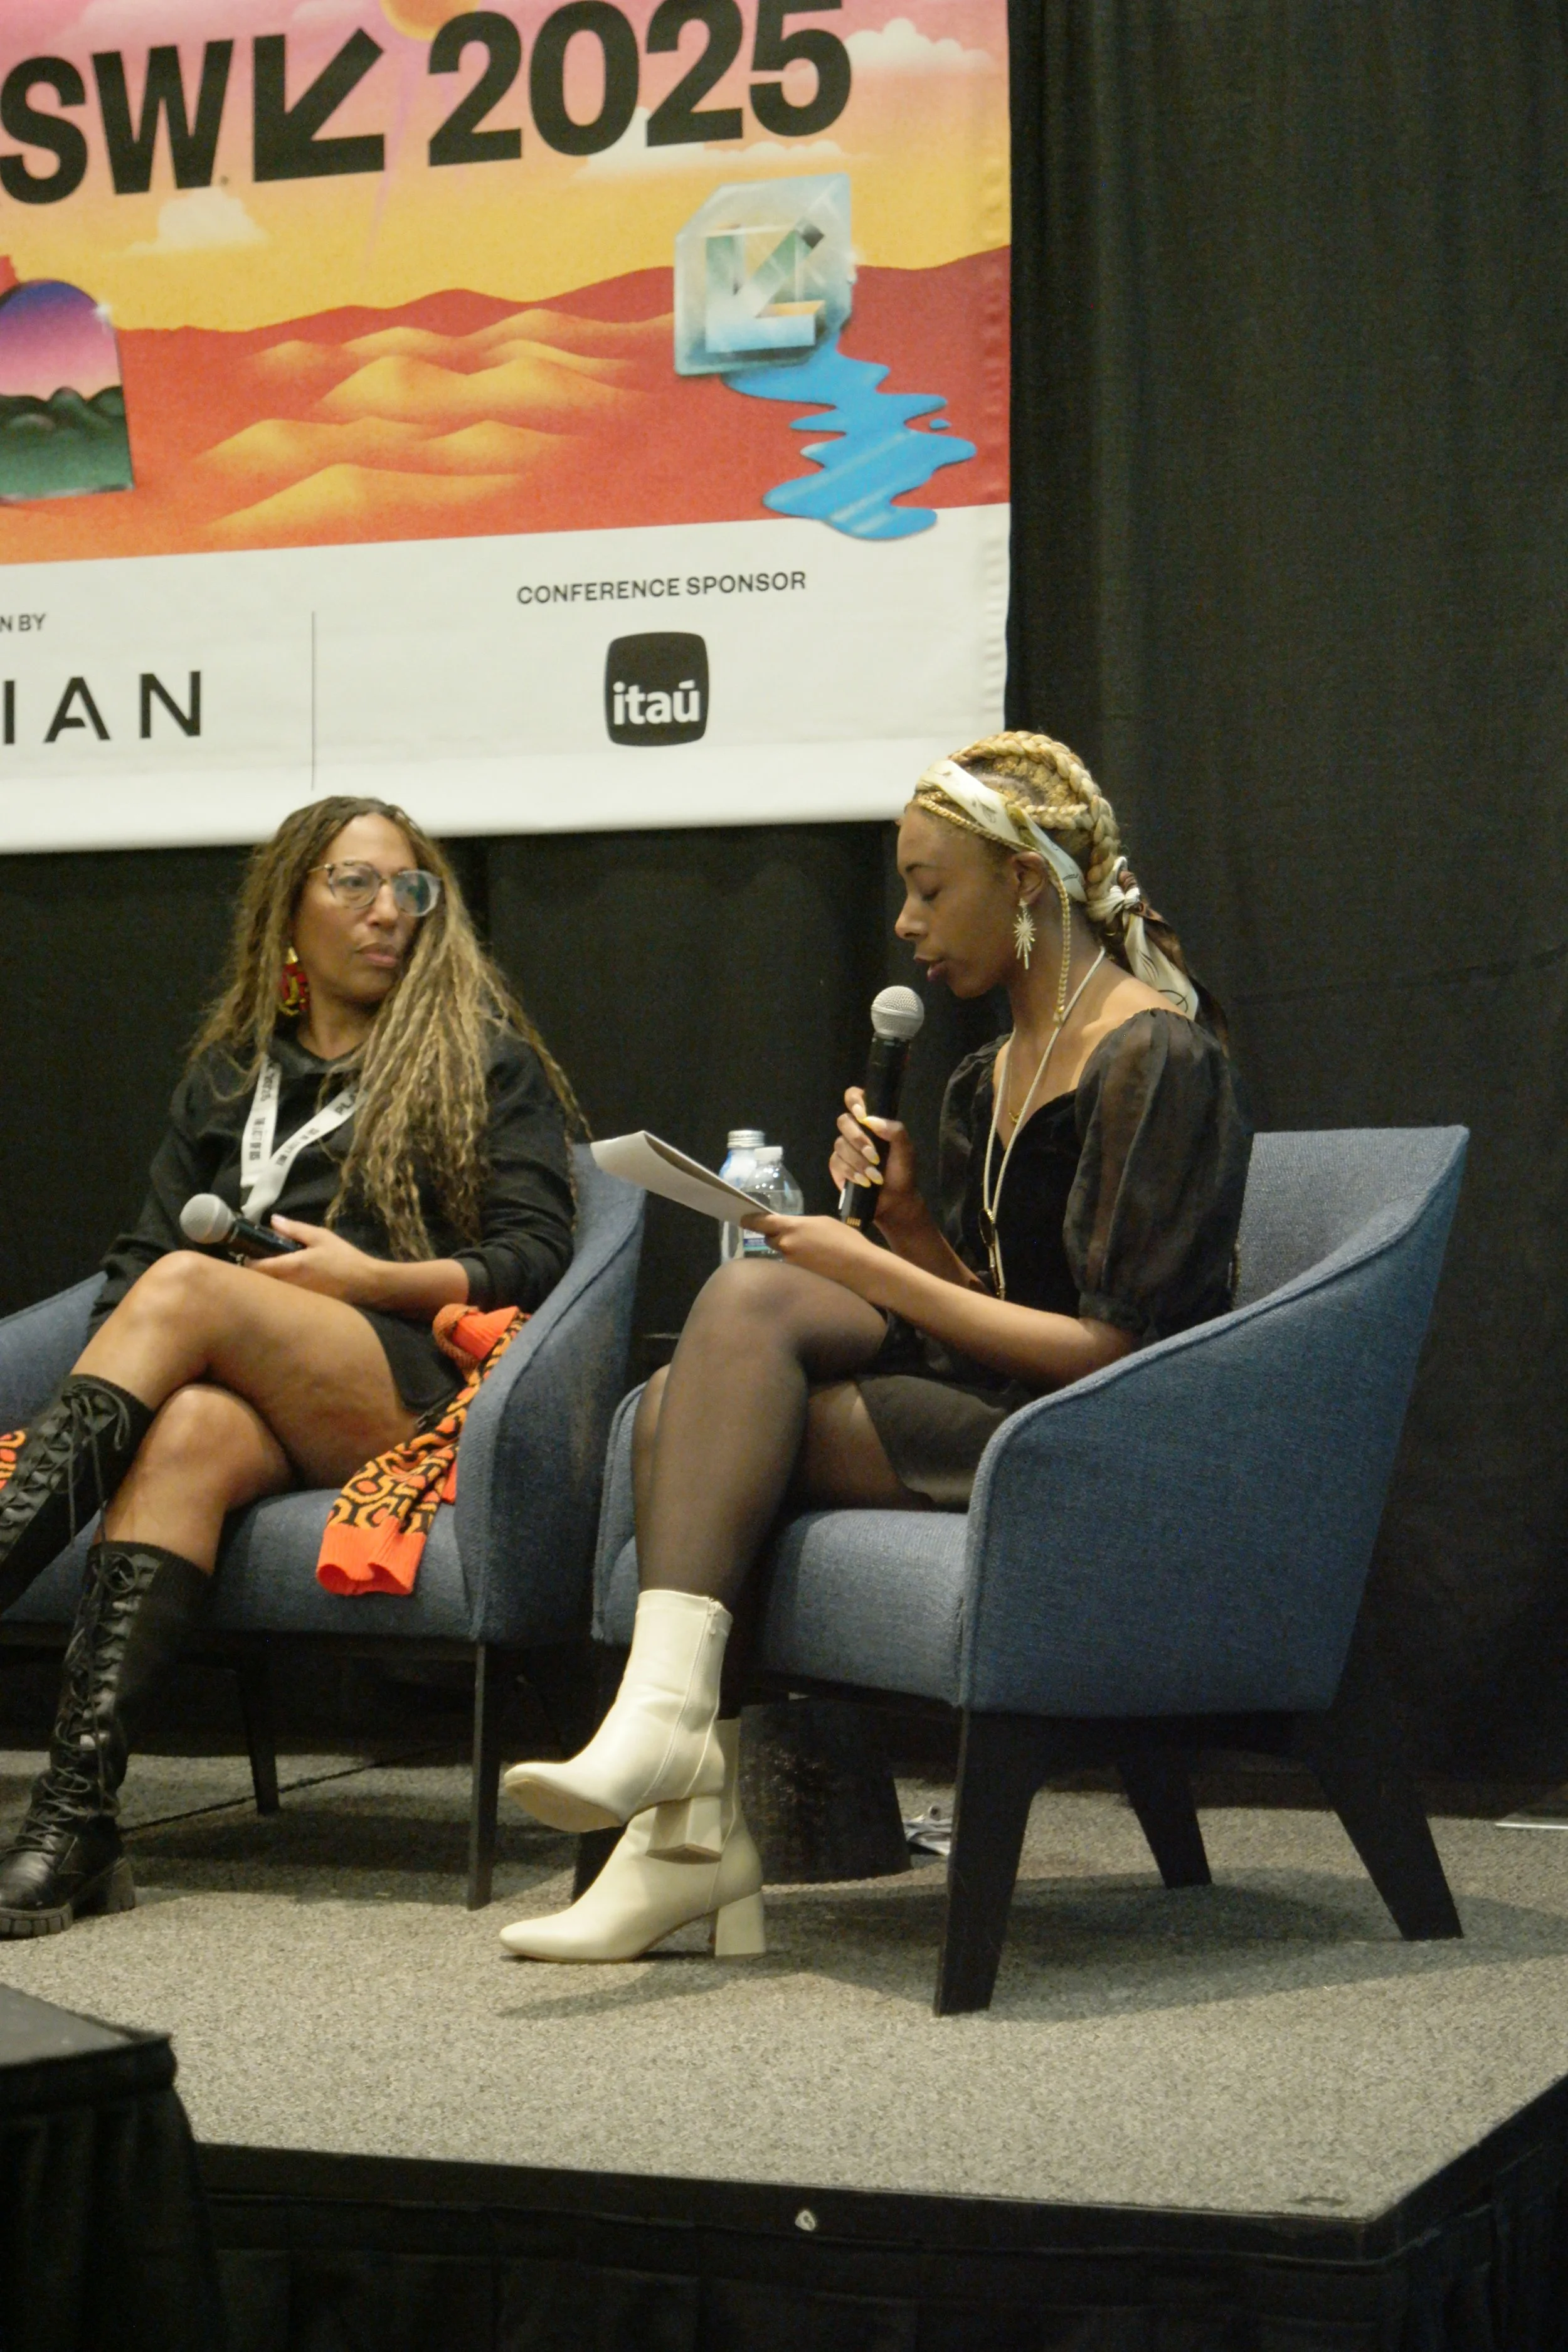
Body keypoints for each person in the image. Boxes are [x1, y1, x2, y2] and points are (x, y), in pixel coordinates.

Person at [499, 730, 1251, 1965]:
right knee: (708, 1360)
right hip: (1008, 1401)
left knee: (705, 1391)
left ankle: (680, 1816)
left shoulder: (1154, 1054)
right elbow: (986, 1302)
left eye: (927, 887)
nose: (904, 922)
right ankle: (675, 1792)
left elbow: (1108, 1351)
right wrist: (903, 1224)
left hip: (1108, 1437)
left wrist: (870, 1267)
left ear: (1024, 882)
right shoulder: (982, 1077)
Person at [0, 796, 578, 1936]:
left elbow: (537, 1251)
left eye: (410, 888)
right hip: (241, 1394)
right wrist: (145, 1364)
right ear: (287, 911)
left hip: (399, 1384)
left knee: (187, 1285)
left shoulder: (483, 1063)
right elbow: (136, 1262)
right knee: (184, 1430)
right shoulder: (227, 1079)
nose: (388, 911)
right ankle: (76, 1819)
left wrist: (375, 1279)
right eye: (353, 883)